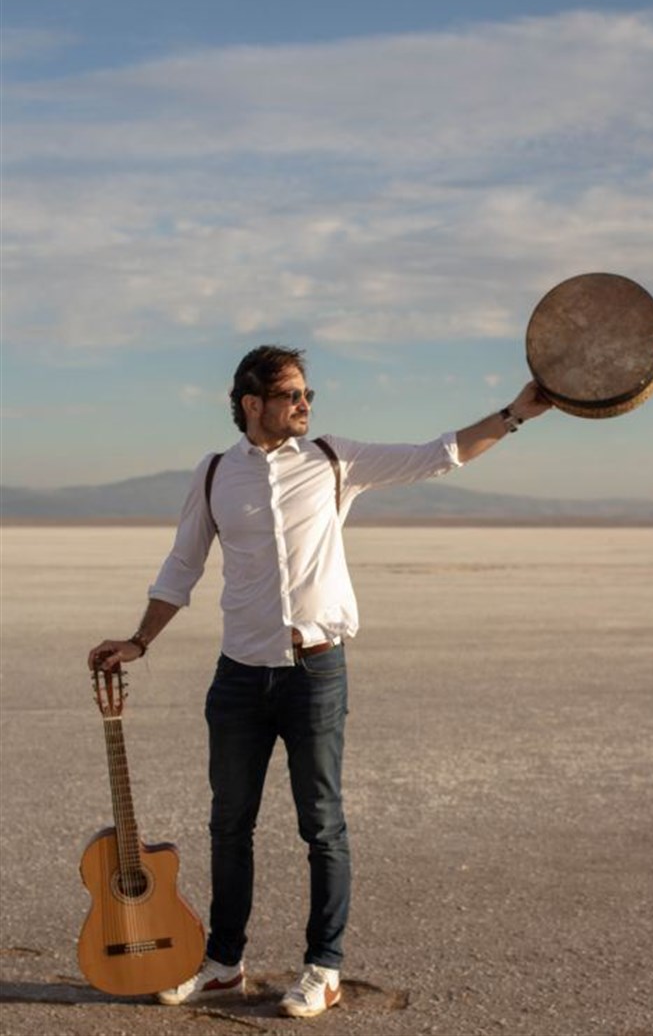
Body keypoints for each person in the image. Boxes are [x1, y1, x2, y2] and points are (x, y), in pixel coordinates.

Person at [88, 344, 550, 1018]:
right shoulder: (215, 473)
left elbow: (438, 454)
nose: (305, 404)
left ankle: (323, 967)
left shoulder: (335, 460)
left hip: (315, 673)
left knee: (323, 826)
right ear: (252, 403)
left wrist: (515, 414)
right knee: (229, 824)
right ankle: (223, 965)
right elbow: (182, 564)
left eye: (308, 394)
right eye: (292, 395)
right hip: (239, 677)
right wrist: (139, 641)